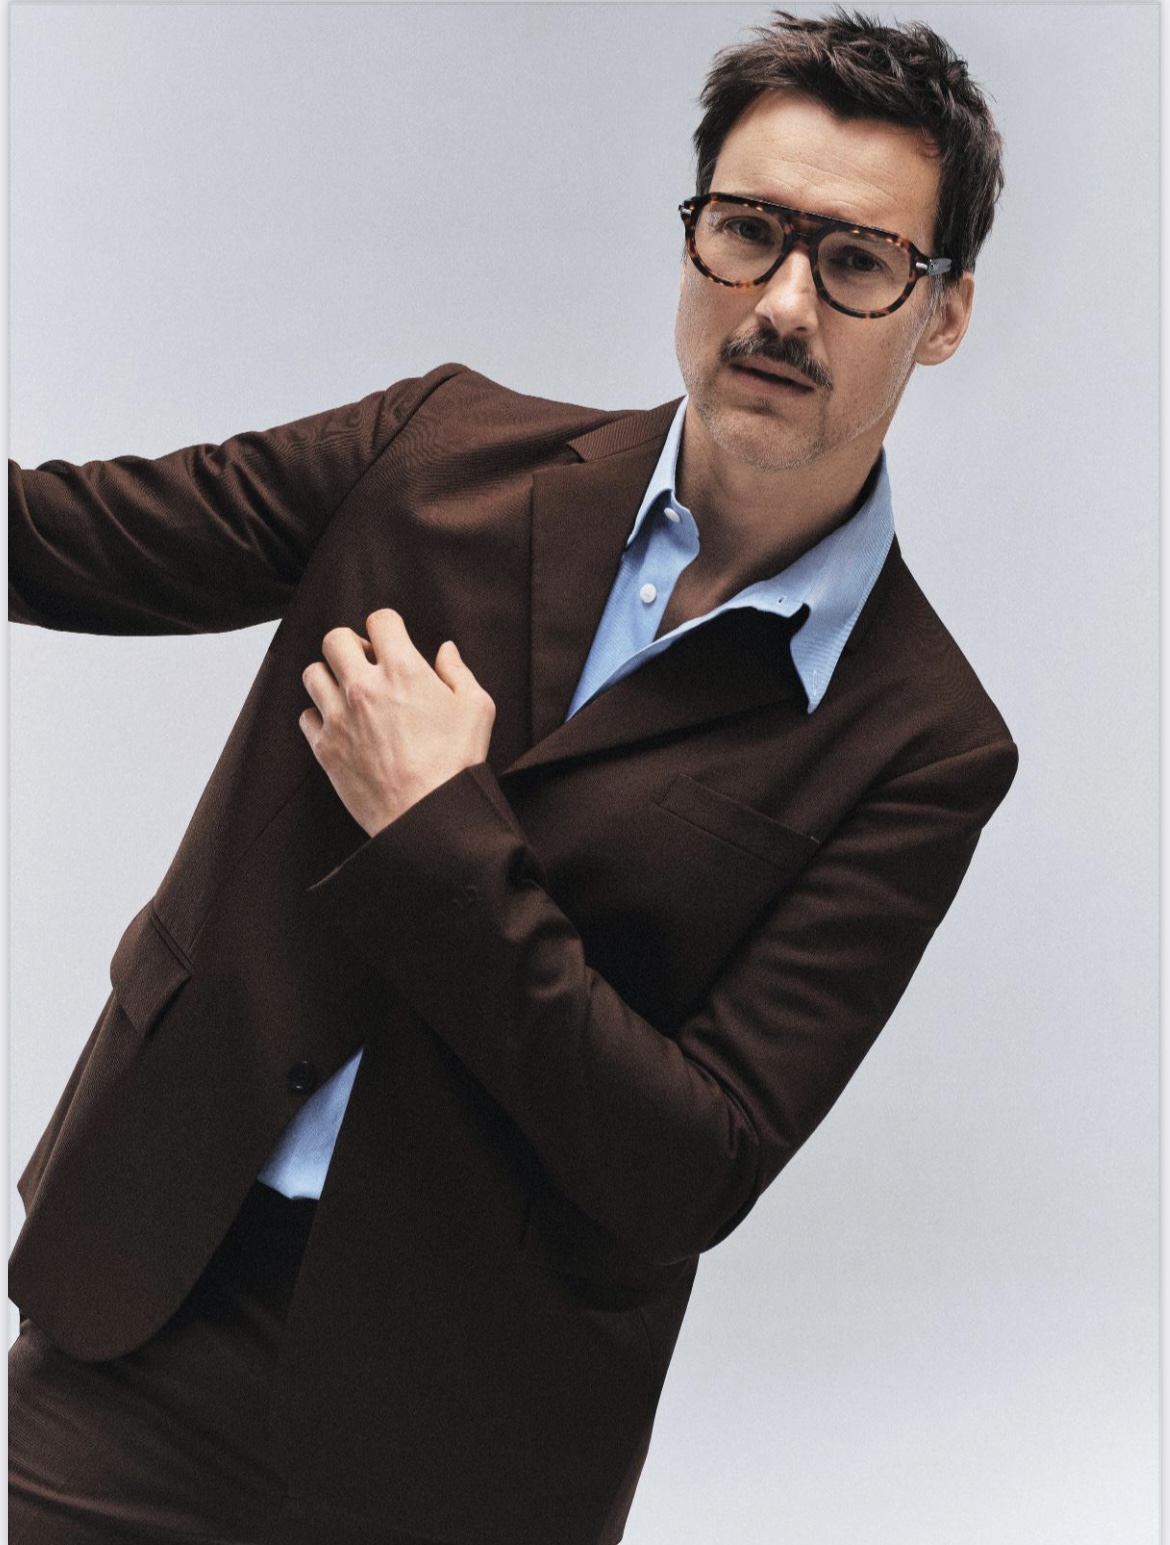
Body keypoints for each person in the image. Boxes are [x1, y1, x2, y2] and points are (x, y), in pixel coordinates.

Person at [8, 10, 1017, 1543]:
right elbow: (59, 538)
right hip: (151, 1305)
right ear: (692, 235)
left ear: (941, 314)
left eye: (857, 261)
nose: (780, 303)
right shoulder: (436, 453)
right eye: (746, 231)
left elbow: (685, 1165)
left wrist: (438, 830)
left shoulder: (920, 740)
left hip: (468, 1437)